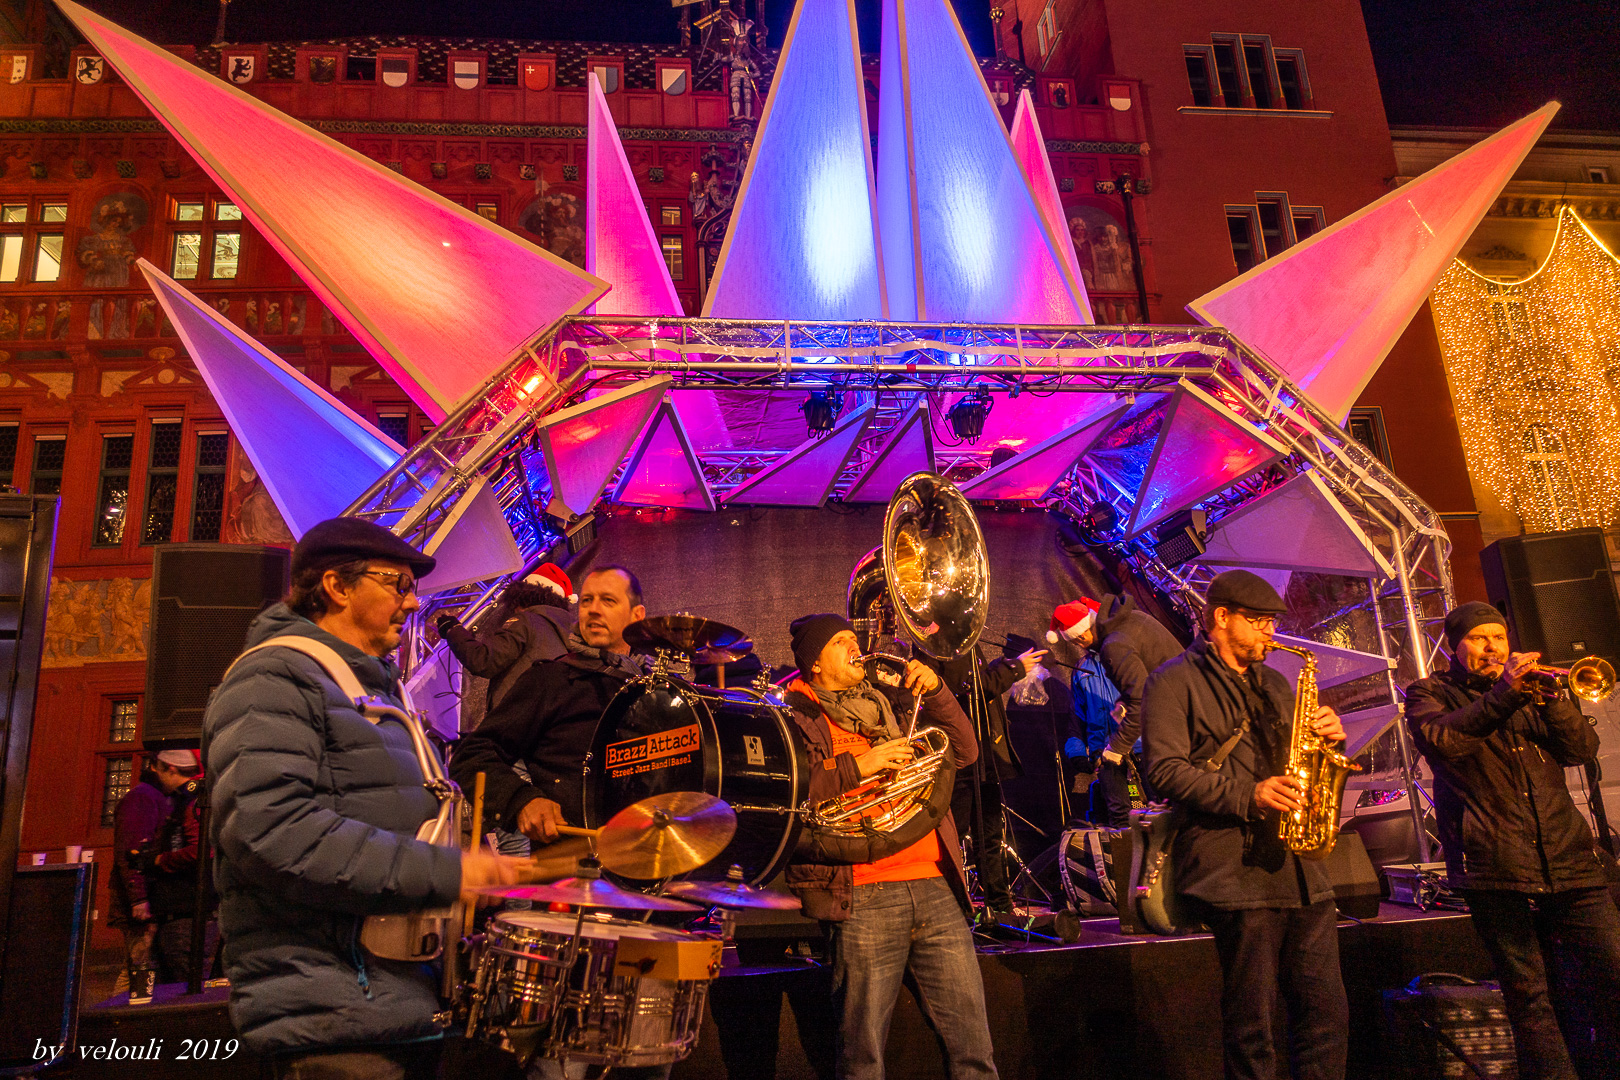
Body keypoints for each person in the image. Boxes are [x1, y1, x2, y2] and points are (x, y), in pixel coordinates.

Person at [204, 517, 518, 1076]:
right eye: (397, 583)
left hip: (389, 1006)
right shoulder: (273, 679)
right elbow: (271, 830)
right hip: (333, 1018)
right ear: (337, 586)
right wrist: (449, 872)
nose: (413, 600)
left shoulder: (372, 692)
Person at [1142, 569, 1348, 1080]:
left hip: (1302, 870)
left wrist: (1330, 740)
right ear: (1221, 618)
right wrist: (1249, 795)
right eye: (1258, 623)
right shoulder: (1171, 680)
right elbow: (1164, 771)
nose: (1270, 635)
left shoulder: (1276, 682)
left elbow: (1298, 758)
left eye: (1272, 623)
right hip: (1234, 871)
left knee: (1326, 1014)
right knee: (1252, 1024)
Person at [1405, 601, 1620, 1080]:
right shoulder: (1428, 692)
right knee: (1530, 998)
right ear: (1455, 646)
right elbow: (1445, 742)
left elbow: (1580, 751)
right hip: (1496, 867)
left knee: (1614, 975)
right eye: (1479, 639)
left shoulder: (1536, 693)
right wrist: (1505, 693)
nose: (1492, 648)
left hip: (1570, 860)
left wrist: (1556, 700)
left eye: (1498, 638)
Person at [782, 613, 998, 1080]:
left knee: (974, 1054)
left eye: (852, 638)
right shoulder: (793, 716)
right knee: (862, 1062)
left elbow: (964, 752)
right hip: (861, 893)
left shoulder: (885, 706)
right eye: (840, 642)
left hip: (935, 886)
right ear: (814, 665)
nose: (854, 646)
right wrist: (861, 765)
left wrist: (937, 690)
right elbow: (789, 794)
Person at [450, 565, 647, 846]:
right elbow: (473, 755)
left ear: (637, 615)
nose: (593, 609)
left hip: (648, 858)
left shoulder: (656, 687)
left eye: (608, 600)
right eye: (588, 600)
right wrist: (521, 800)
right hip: (573, 871)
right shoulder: (550, 679)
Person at [919, 644, 1044, 919]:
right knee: (954, 834)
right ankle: (947, 907)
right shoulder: (938, 647)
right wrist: (1013, 669)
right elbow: (966, 689)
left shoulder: (965, 643)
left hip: (985, 756)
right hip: (959, 758)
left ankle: (999, 905)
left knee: (990, 836)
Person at [1049, 593, 1181, 828]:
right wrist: (1077, 751)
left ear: (1091, 624)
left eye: (1082, 635)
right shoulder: (1081, 670)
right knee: (1118, 814)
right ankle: (1126, 860)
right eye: (1075, 640)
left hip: (1142, 743)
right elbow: (1077, 716)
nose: (1081, 642)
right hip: (1105, 750)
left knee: (1159, 805)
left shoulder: (1118, 650)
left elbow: (1141, 696)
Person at [110, 748, 203, 1003]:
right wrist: (139, 899)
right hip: (144, 905)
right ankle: (118, 1024)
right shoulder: (144, 798)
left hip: (155, 901)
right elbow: (130, 852)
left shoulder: (164, 796)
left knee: (143, 972)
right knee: (138, 972)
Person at [435, 563, 577, 726]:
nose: (514, 610)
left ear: (525, 596)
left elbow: (483, 661)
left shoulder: (527, 620)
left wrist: (453, 630)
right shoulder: (570, 638)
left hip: (515, 724)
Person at [141, 749, 220, 990]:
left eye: (158, 768)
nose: (155, 775)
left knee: (188, 990)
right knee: (170, 991)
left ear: (171, 768)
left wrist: (158, 861)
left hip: (189, 915)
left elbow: (202, 850)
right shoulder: (185, 799)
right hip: (181, 914)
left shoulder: (194, 801)